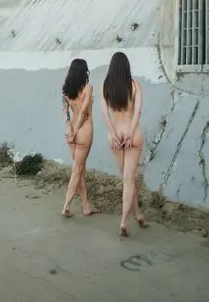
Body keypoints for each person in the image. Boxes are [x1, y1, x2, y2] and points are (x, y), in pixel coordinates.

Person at [100, 51, 148, 236]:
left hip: (115, 136)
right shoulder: (134, 85)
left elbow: (105, 113)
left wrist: (112, 133)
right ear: (127, 66)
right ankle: (124, 221)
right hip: (132, 134)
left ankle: (138, 214)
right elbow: (137, 112)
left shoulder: (105, 86)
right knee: (129, 180)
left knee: (127, 179)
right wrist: (130, 134)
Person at [60, 58, 98, 218]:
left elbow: (65, 112)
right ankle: (66, 207)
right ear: (84, 72)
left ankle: (86, 206)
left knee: (79, 170)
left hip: (71, 131)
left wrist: (69, 129)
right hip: (83, 130)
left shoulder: (66, 90)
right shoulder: (88, 88)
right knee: (77, 170)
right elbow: (83, 113)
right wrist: (75, 131)